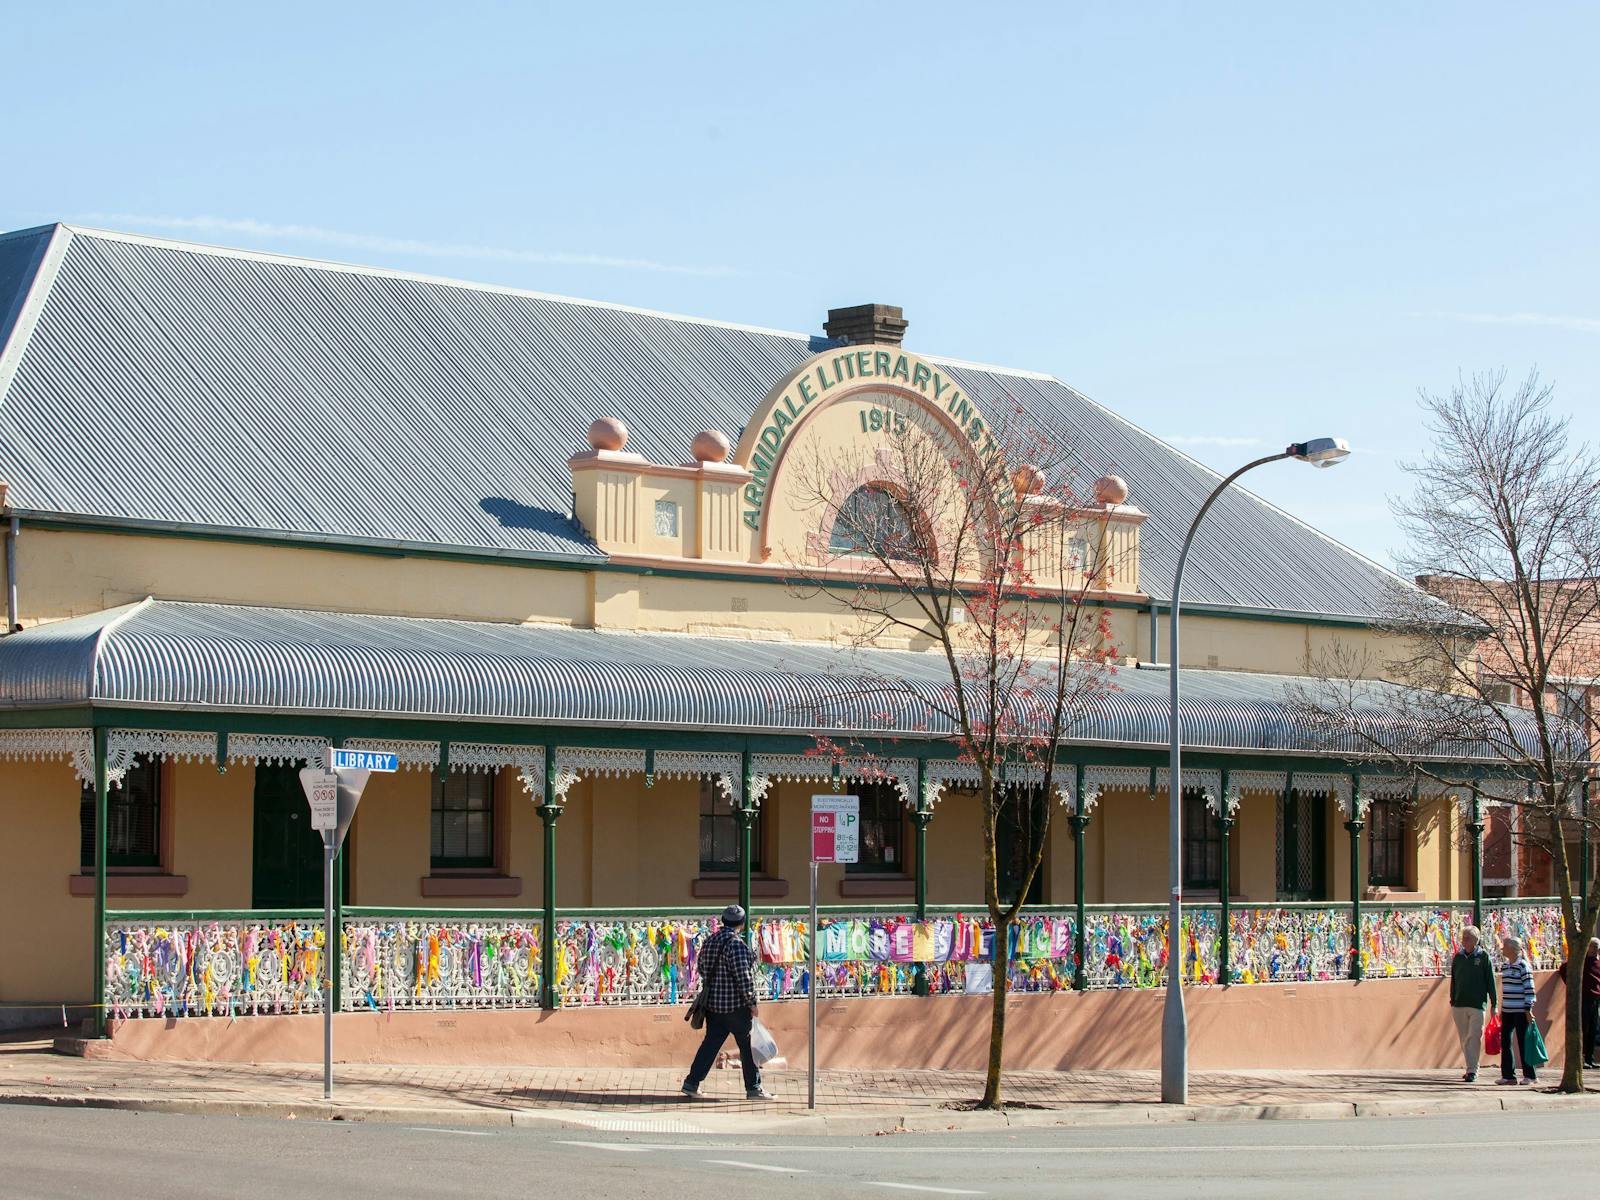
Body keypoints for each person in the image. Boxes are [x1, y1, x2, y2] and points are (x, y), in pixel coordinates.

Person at [682, 905, 774, 1101]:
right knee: (748, 1048)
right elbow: (744, 977)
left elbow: (703, 969)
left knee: (710, 1045)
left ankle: (691, 1083)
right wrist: (752, 1002)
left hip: (713, 1006)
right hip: (735, 1007)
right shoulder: (736, 945)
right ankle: (754, 1088)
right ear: (741, 923)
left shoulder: (709, 942)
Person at [1448, 925, 1497, 1083]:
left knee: (1474, 1036)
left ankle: (1473, 1070)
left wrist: (1494, 1003)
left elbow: (1490, 981)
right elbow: (1454, 980)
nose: (1464, 940)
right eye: (1463, 937)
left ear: (1475, 940)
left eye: (1467, 937)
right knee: (1464, 1039)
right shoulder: (1458, 957)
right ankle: (1470, 1067)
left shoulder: (1483, 957)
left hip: (1477, 1004)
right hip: (1459, 1003)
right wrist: (1452, 999)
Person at [1497, 936, 1537, 1085]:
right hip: (1508, 1009)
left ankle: (1530, 1075)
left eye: (1505, 946)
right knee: (1505, 1041)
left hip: (1520, 1010)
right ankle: (1508, 1075)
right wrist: (1502, 1008)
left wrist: (1528, 1009)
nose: (1502, 949)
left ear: (1512, 949)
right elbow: (1506, 989)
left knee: (1523, 1041)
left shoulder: (1523, 966)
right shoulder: (1505, 966)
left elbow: (1529, 989)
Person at [1559, 936, 1600, 1069]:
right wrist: (1572, 986)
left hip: (1595, 1000)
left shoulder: (1597, 963)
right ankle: (1581, 1058)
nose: (1595, 951)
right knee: (1584, 1028)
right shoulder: (1581, 961)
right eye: (1593, 947)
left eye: (1597, 948)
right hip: (1584, 998)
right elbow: (1563, 969)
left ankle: (1589, 1057)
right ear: (1588, 947)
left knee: (1593, 1029)